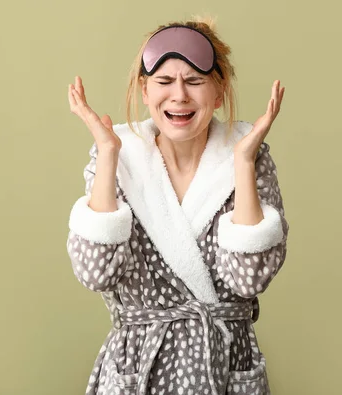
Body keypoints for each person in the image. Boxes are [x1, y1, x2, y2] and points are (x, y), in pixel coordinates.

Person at [66, 17, 288, 395]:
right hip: (138, 367)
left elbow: (249, 279)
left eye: (195, 81)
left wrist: (244, 162)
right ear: (144, 90)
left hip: (223, 366)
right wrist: (107, 154)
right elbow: (95, 273)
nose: (179, 95)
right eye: (164, 82)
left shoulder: (248, 157)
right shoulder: (119, 159)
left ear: (218, 91)